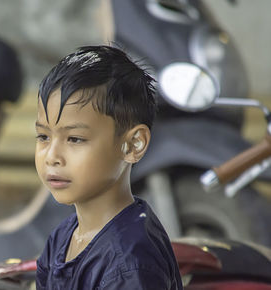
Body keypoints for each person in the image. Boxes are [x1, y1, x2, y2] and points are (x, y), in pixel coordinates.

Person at [35, 45, 183, 289]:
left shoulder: (131, 262)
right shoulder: (63, 237)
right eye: (43, 137)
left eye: (75, 139)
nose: (52, 157)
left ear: (133, 144)